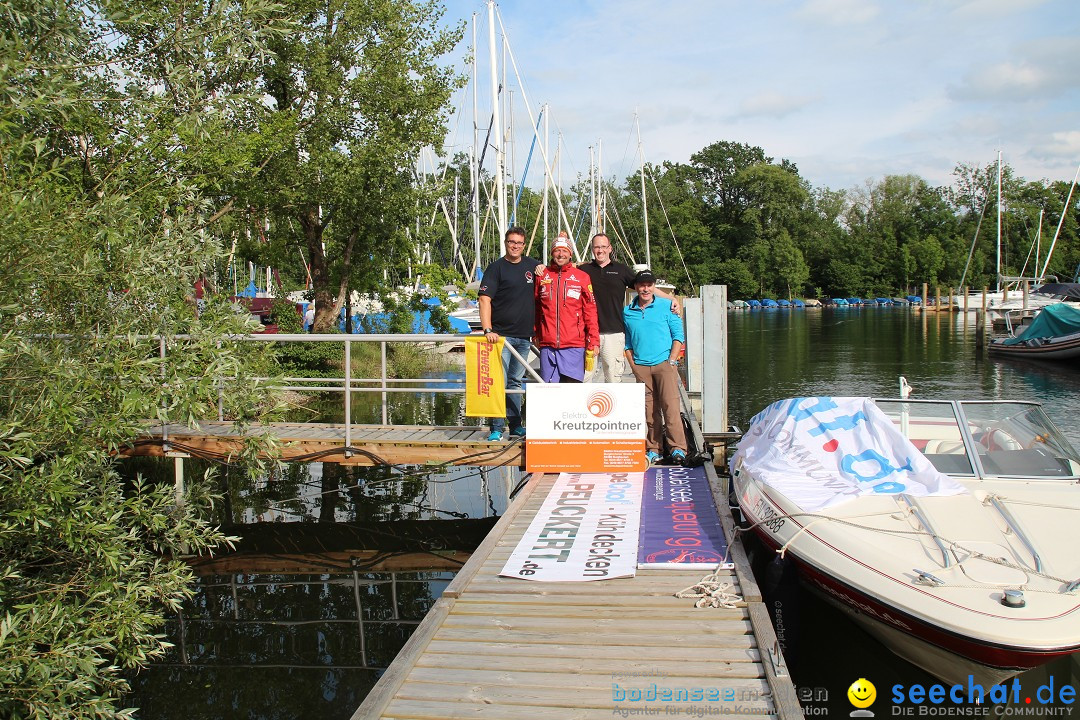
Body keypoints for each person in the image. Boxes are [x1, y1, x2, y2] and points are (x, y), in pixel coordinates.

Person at [578, 233, 681, 382]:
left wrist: (670, 298)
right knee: (584, 378)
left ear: (610, 248)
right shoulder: (584, 270)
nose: (600, 250)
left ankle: (612, 406)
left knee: (613, 378)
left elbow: (645, 286)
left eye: (603, 247)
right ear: (592, 249)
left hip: (613, 333)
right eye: (596, 247)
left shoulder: (621, 269)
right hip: (587, 333)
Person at [478, 226, 539, 441]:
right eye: (512, 242)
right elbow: (485, 300)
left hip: (523, 337)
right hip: (500, 337)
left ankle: (515, 425)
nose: (515, 246)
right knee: (498, 382)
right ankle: (496, 427)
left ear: (524, 245)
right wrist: (487, 330)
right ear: (506, 243)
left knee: (514, 382)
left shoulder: (533, 266)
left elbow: (557, 270)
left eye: (519, 243)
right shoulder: (496, 268)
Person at [623, 269, 687, 466]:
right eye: (642, 285)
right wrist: (633, 366)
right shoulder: (627, 311)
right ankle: (654, 449)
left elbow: (678, 336)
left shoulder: (668, 306)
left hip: (664, 364)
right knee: (650, 410)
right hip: (641, 367)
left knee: (671, 408)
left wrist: (673, 360)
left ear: (653, 287)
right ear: (635, 288)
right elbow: (627, 343)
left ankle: (678, 448)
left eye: (649, 285)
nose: (645, 289)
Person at [534, 235, 599, 383]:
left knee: (572, 394)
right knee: (550, 394)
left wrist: (594, 341)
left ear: (570, 254)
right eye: (557, 250)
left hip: (574, 346)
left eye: (564, 251)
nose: (561, 254)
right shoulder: (542, 275)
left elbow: (590, 311)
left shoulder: (582, 277)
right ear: (552, 253)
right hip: (548, 345)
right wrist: (536, 332)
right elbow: (537, 307)